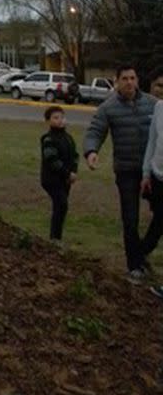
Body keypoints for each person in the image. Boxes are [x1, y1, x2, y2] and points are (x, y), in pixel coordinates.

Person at [83, 64, 156, 282]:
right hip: (126, 171)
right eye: (124, 78)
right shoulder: (108, 107)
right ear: (116, 81)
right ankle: (134, 264)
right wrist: (91, 151)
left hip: (152, 170)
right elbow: (95, 130)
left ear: (137, 80)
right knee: (130, 218)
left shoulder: (153, 104)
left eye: (132, 78)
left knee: (160, 215)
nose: (129, 82)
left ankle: (142, 250)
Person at [40, 106, 78, 240]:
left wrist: (73, 171)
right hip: (52, 180)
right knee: (61, 204)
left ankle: (56, 237)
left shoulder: (68, 138)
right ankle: (55, 238)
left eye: (62, 117)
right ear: (48, 121)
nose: (60, 120)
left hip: (65, 180)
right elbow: (52, 160)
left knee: (61, 207)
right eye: (55, 118)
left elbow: (75, 156)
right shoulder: (48, 139)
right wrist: (67, 173)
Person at [141, 87, 163, 298]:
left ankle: (142, 250)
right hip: (158, 176)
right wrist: (147, 172)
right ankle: (143, 251)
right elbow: (152, 142)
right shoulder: (159, 107)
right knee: (159, 219)